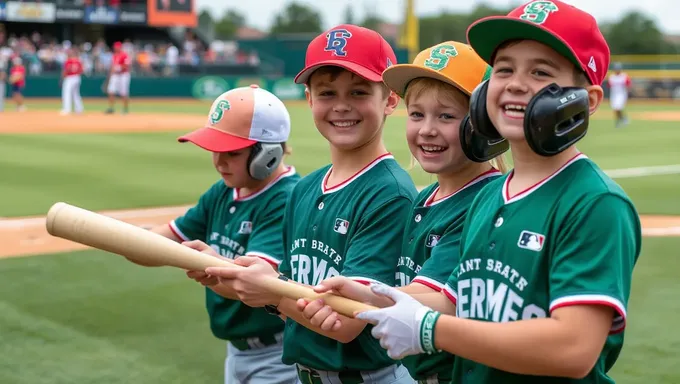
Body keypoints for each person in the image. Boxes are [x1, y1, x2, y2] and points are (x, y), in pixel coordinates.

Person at [304, 1, 642, 383]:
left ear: (588, 100)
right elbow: (454, 300)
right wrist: (373, 296)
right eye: (504, 69)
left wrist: (429, 329)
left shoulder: (594, 202)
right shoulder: (490, 195)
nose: (516, 83)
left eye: (541, 71)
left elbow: (574, 347)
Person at [202, 24, 419, 384]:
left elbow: (349, 323)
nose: (342, 106)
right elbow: (294, 293)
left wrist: (270, 291)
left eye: (359, 91)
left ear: (391, 100)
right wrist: (237, 275)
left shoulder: (389, 193)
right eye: (327, 92)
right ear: (309, 99)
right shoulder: (305, 189)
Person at [291, 40, 510, 384]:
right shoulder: (428, 201)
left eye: (447, 116)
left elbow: (440, 298)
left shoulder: (485, 202)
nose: (427, 130)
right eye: (417, 114)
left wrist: (364, 295)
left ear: (487, 122)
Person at [126, 85, 301, 384]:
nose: (219, 163)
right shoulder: (223, 192)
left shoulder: (286, 198)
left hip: (280, 355)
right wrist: (119, 237)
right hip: (238, 353)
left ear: (267, 154)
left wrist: (202, 262)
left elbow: (250, 287)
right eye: (215, 151)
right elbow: (164, 240)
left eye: (231, 153)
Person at [104, 41, 131, 114]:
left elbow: (126, 66)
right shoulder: (114, 55)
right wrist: (110, 74)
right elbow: (112, 66)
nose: (116, 48)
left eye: (117, 47)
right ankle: (111, 108)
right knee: (111, 91)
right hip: (115, 75)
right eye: (115, 47)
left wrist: (118, 68)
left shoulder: (124, 55)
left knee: (124, 92)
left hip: (123, 75)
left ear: (120, 47)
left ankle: (125, 109)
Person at [60, 48, 85, 115]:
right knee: (76, 94)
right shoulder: (79, 61)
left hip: (70, 78)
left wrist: (62, 78)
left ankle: (67, 109)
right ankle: (79, 109)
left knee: (67, 93)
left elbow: (66, 70)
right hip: (77, 77)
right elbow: (82, 70)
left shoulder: (68, 61)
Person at [607, 62, 631, 127]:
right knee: (615, 109)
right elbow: (609, 86)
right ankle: (623, 118)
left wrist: (628, 95)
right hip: (614, 95)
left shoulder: (624, 76)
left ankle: (617, 122)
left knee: (618, 108)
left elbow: (628, 85)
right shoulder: (612, 77)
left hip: (621, 95)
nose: (617, 70)